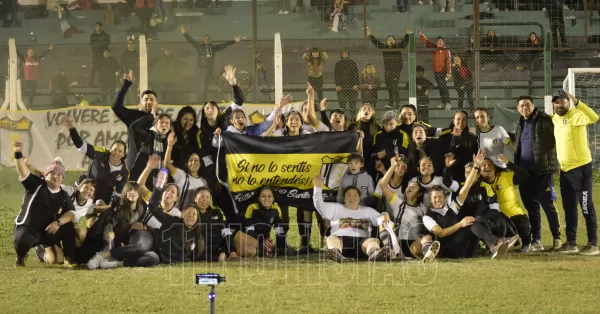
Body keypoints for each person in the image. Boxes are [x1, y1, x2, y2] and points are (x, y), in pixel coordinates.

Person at [87, 182, 213, 269]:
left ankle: (113, 264)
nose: (190, 216)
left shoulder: (196, 238)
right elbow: (153, 206)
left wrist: (221, 256)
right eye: (188, 213)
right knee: (141, 247)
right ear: (182, 215)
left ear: (197, 220)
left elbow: (200, 254)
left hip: (156, 253)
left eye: (194, 214)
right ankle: (102, 255)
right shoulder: (174, 221)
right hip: (147, 236)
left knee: (152, 260)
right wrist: (159, 185)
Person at [420, 150, 507, 261]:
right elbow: (441, 233)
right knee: (470, 222)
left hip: (464, 250)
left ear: (445, 198)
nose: (438, 200)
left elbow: (466, 186)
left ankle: (493, 245)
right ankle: (494, 244)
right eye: (435, 198)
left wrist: (476, 166)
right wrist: (461, 224)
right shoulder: (427, 217)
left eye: (440, 197)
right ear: (430, 200)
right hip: (448, 250)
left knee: (478, 218)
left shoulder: (451, 207)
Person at [12, 144, 76, 267]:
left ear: (62, 178)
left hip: (46, 231)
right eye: (52, 173)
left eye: (59, 174)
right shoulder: (36, 185)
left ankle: (69, 257)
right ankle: (20, 257)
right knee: (22, 241)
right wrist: (18, 153)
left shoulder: (63, 194)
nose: (56, 176)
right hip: (27, 228)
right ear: (45, 175)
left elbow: (71, 213)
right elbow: (23, 172)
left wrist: (58, 223)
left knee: (67, 230)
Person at [551, 89, 599, 255]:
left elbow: (594, 117)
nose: (559, 104)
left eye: (562, 101)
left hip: (581, 168)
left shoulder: (576, 115)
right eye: (556, 102)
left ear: (568, 102)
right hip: (565, 171)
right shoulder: (555, 119)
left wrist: (577, 102)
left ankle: (592, 243)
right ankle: (571, 243)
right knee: (569, 207)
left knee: (586, 206)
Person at [513, 96, 561, 251]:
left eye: (527, 105)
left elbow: (556, 138)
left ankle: (557, 238)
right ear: (518, 108)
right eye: (521, 106)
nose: (524, 108)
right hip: (525, 174)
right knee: (532, 208)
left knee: (548, 206)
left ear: (533, 106)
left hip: (543, 172)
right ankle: (537, 240)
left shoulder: (545, 120)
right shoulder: (520, 122)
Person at [313, 174, 393, 262]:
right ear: (344, 199)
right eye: (348, 195)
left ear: (359, 199)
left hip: (362, 242)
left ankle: (374, 254)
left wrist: (383, 215)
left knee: (373, 240)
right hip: (341, 241)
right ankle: (335, 253)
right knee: (331, 238)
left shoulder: (368, 210)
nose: (352, 197)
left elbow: (379, 220)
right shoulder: (336, 208)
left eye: (355, 195)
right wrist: (317, 187)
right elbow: (319, 205)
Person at [479, 155, 533, 252]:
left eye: (490, 165)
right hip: (497, 218)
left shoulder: (505, 176)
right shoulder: (480, 185)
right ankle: (493, 244)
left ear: (495, 168)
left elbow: (525, 175)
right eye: (483, 165)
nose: (487, 167)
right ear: (479, 171)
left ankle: (526, 243)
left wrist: (509, 164)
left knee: (523, 226)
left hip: (514, 214)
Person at [378, 158, 428, 258]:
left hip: (413, 244)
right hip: (398, 242)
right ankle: (392, 252)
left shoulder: (423, 208)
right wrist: (393, 166)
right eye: (408, 187)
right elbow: (383, 184)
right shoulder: (398, 202)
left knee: (427, 237)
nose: (409, 188)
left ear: (419, 194)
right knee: (382, 218)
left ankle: (428, 253)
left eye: (413, 187)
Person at [179, 25, 240, 100]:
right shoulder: (199, 46)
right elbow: (191, 40)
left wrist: (234, 41)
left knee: (206, 87)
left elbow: (223, 45)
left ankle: (204, 99)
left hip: (208, 70)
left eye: (208, 38)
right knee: (202, 87)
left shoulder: (212, 48)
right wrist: (184, 33)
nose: (207, 40)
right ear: (203, 39)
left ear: (210, 40)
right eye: (205, 38)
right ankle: (201, 100)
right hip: (201, 70)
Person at [111, 72, 157, 170]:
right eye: (146, 99)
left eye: (152, 99)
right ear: (141, 102)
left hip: (153, 166)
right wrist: (125, 85)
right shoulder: (133, 115)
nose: (149, 102)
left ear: (156, 102)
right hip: (133, 165)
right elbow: (116, 107)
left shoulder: (161, 120)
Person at [242, 187, 297, 257]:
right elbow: (247, 229)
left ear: (273, 198)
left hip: (264, 238)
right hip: (250, 238)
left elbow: (279, 229)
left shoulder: (276, 209)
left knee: (288, 251)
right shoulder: (252, 207)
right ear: (258, 198)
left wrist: (280, 246)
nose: (266, 199)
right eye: (263, 196)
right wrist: (261, 240)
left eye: (269, 196)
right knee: (253, 250)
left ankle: (276, 249)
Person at [366, 27, 409, 108]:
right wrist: (370, 35)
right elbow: (377, 43)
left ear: (394, 41)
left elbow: (404, 43)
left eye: (392, 39)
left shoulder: (397, 46)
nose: (390, 40)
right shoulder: (385, 47)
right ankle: (391, 103)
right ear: (387, 41)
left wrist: (407, 34)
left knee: (394, 86)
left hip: (395, 71)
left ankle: (397, 103)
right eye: (389, 39)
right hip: (388, 71)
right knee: (389, 86)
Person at [136, 158, 182, 229]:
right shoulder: (154, 198)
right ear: (162, 193)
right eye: (166, 190)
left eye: (173, 192)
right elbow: (140, 186)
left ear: (176, 198)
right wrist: (149, 167)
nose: (169, 193)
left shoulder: (177, 214)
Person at [164, 134, 208, 207]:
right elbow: (167, 165)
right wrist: (170, 146)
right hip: (177, 214)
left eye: (196, 160)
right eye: (191, 160)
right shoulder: (181, 175)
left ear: (200, 164)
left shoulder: (204, 182)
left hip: (192, 216)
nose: (193, 162)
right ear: (186, 164)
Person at [129, 110, 171, 186]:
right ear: (155, 124)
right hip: (142, 175)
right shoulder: (149, 135)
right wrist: (150, 116)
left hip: (159, 179)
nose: (164, 125)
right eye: (161, 122)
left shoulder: (170, 141)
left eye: (167, 123)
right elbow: (133, 126)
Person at [438, 110, 478, 182]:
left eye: (464, 119)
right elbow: (448, 153)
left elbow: (475, 154)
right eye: (458, 119)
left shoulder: (472, 138)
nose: (461, 122)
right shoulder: (445, 136)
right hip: (450, 173)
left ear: (467, 121)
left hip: (466, 173)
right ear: (453, 121)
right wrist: (455, 138)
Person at [418, 30, 452, 110]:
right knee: (440, 87)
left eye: (441, 41)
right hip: (436, 72)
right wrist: (421, 35)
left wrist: (449, 72)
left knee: (443, 86)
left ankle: (448, 103)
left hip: (443, 72)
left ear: (443, 42)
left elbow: (449, 61)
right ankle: (443, 102)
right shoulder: (434, 48)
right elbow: (427, 42)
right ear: (436, 42)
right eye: (438, 41)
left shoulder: (446, 50)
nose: (439, 42)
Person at [89, 22, 111, 87]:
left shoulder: (105, 35)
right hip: (96, 55)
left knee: (103, 70)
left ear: (101, 27)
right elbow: (92, 44)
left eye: (99, 26)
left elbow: (107, 44)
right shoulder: (93, 35)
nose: (98, 28)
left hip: (103, 55)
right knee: (94, 70)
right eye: (97, 26)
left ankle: (103, 83)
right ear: (95, 27)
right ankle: (91, 83)